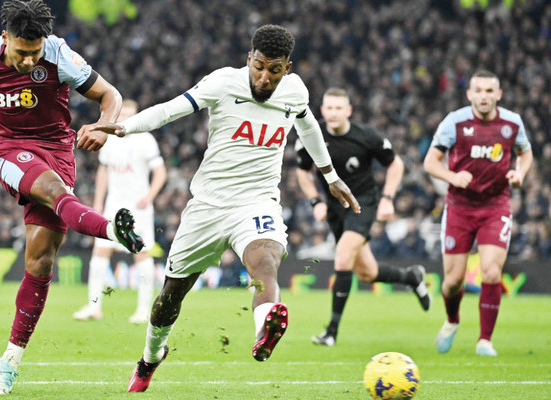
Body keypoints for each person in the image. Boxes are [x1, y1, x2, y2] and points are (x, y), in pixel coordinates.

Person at [93, 24, 361, 392]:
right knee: (171, 296)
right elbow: (171, 111)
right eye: (260, 66)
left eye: (275, 70)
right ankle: (150, 357)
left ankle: (265, 328)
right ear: (249, 59)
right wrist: (122, 128)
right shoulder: (223, 82)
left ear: (288, 68)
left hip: (256, 202)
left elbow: (309, 126)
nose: (265, 78)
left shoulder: (295, 91)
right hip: (207, 206)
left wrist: (329, 176)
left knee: (265, 262)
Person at [0, 0, 144, 394]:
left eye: (34, 54)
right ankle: (111, 230)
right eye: (21, 53)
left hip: (57, 149)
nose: (28, 61)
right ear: (4, 39)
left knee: (40, 262)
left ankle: (8, 362)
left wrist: (106, 127)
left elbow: (110, 95)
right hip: (7, 148)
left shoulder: (58, 54)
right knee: (53, 190)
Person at [295, 88, 431, 347]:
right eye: (329, 108)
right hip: (335, 208)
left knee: (343, 256)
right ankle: (412, 277)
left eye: (339, 108)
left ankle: (331, 332)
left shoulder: (366, 136)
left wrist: (388, 198)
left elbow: (396, 164)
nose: (333, 113)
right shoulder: (311, 134)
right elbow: (302, 171)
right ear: (322, 111)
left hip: (362, 204)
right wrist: (315, 201)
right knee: (367, 273)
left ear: (348, 111)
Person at [423, 69, 533, 356]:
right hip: (459, 207)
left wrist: (520, 173)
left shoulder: (512, 123)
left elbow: (526, 152)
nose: (483, 96)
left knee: (492, 272)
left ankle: (485, 340)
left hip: (496, 205)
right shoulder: (455, 122)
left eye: (489, 91)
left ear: (498, 94)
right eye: (478, 90)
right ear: (469, 94)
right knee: (452, 282)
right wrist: (451, 177)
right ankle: (452, 320)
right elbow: (431, 162)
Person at [73, 99, 167, 324]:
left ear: (136, 116)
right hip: (113, 206)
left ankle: (144, 310)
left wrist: (150, 196)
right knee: (100, 253)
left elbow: (161, 172)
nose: (125, 116)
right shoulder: (110, 139)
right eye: (122, 112)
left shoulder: (146, 139)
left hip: (138, 207)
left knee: (141, 254)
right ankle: (94, 306)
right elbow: (103, 171)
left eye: (130, 113)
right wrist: (98, 202)